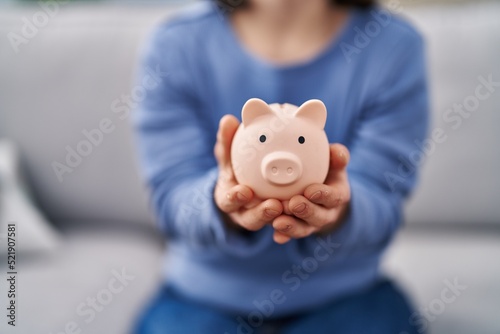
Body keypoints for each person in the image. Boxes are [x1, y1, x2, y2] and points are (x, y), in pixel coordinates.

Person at [132, 0, 428, 333]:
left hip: (345, 294)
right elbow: (171, 200)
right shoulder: (177, 45)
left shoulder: (393, 47)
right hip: (204, 296)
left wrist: (338, 211)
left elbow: (384, 204)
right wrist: (222, 205)